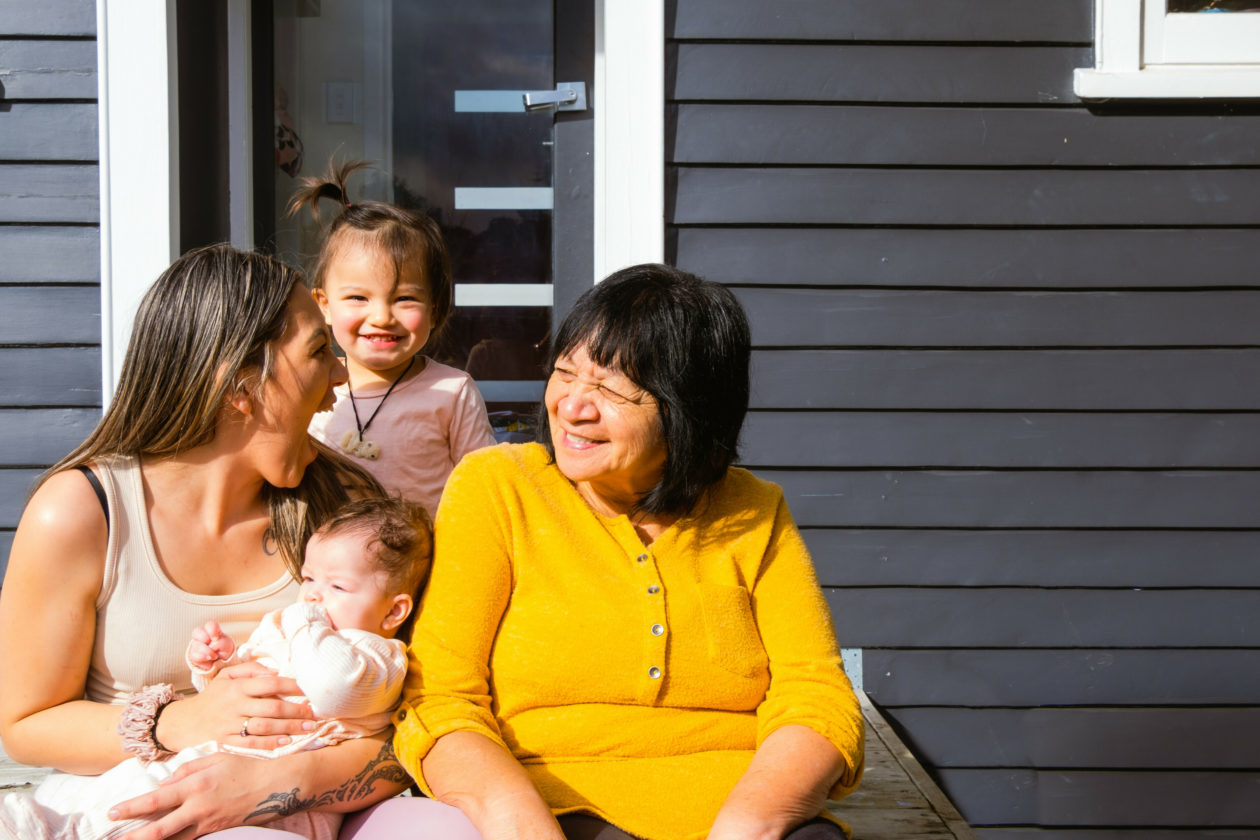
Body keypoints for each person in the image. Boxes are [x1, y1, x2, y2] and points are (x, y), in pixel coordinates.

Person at [0, 244, 480, 839]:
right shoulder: (83, 512)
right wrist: (185, 720)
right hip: (137, 798)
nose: (339, 372)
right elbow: (26, 721)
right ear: (240, 385)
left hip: (323, 789)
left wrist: (279, 787)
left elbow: (410, 719)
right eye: (316, 351)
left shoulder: (344, 506)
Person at [394, 264, 865, 840]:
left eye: (612, 390)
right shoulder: (498, 488)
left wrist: (749, 824)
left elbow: (814, 695)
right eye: (565, 373)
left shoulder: (752, 509)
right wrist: (522, 826)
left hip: (740, 813)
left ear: (688, 408)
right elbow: (438, 697)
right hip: (556, 809)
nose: (572, 406)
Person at [0, 496, 431, 840]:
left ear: (394, 611)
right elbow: (238, 686)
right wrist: (217, 665)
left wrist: (304, 622)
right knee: (144, 786)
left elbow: (332, 688)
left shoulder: (374, 655)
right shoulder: (302, 630)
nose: (314, 596)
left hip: (286, 803)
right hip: (217, 752)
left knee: (162, 808)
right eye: (309, 579)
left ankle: (64, 830)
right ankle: (61, 826)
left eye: (336, 587)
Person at [294, 161, 496, 518]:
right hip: (330, 568)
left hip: (427, 566)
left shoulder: (452, 392)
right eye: (358, 298)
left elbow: (485, 491)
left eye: (404, 299)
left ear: (435, 310)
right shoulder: (311, 384)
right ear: (323, 305)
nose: (382, 317)